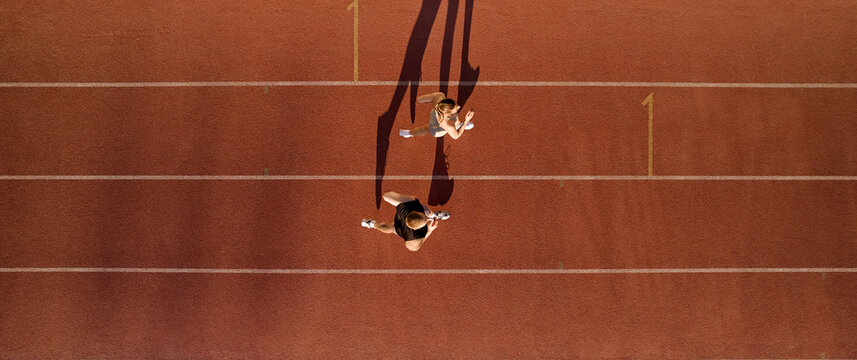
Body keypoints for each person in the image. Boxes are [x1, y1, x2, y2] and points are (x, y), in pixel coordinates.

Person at [361, 191, 450, 251]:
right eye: (426, 220)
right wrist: (429, 231)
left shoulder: (408, 204)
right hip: (401, 228)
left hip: (402, 216)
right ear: (417, 228)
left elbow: (386, 196)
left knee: (425, 210)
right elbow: (414, 248)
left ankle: (434, 215)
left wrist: (402, 199)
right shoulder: (413, 238)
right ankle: (372, 225)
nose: (427, 220)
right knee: (391, 228)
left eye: (425, 219)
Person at [399, 92, 476, 139]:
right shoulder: (449, 125)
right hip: (437, 130)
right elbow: (456, 136)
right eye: (456, 107)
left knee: (440, 94)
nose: (459, 106)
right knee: (425, 129)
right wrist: (466, 121)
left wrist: (419, 100)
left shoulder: (439, 100)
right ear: (448, 114)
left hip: (435, 115)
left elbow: (421, 99)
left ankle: (458, 124)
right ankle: (408, 133)